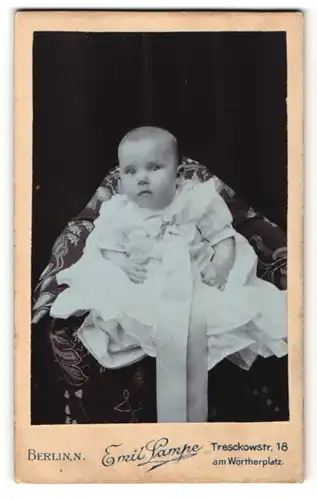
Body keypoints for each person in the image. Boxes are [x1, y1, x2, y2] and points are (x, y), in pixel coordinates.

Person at [50, 126, 287, 423]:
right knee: (125, 308)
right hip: (144, 280)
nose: (142, 178)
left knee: (218, 316)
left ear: (178, 173)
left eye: (154, 167)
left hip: (196, 277)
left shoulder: (196, 200)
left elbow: (223, 238)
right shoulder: (118, 211)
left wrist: (221, 265)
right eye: (130, 171)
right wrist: (123, 264)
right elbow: (106, 247)